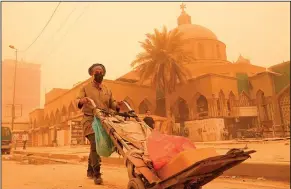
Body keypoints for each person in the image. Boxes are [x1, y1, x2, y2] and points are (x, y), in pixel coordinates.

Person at [76, 63, 120, 185]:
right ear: (91, 73)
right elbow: (77, 100)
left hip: (103, 121)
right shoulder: (85, 88)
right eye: (96, 71)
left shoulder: (107, 89)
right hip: (89, 120)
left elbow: (112, 103)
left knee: (95, 146)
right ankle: (97, 173)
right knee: (95, 143)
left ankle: (90, 169)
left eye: (101, 71)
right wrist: (82, 100)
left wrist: (117, 106)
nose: (99, 73)